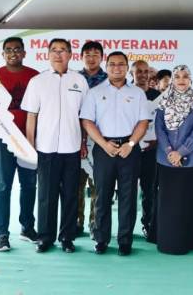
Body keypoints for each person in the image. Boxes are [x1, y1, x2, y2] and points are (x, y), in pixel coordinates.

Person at [21, 38, 88, 253]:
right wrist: (30, 144)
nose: (58, 54)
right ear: (47, 55)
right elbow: (32, 115)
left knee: (70, 194)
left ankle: (67, 237)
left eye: (63, 50)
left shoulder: (80, 81)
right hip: (46, 147)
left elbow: (84, 116)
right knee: (46, 195)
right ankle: (45, 237)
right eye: (54, 51)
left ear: (70, 55)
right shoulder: (37, 81)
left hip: (72, 147)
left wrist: (84, 141)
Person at [81, 51, 149, 256]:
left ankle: (125, 241)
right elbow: (87, 121)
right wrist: (103, 144)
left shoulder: (137, 93)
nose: (116, 68)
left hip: (130, 148)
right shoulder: (94, 92)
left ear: (127, 67)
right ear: (106, 66)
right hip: (104, 149)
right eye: (112, 64)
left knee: (128, 197)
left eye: (121, 64)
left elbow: (143, 122)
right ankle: (101, 239)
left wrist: (131, 143)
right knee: (102, 196)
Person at [0, 37, 39, 252]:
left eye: (17, 50)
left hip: (29, 140)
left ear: (24, 53)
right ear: (3, 54)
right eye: (8, 50)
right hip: (2, 140)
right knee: (3, 185)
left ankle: (27, 228)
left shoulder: (34, 77)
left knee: (29, 185)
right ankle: (1, 233)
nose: (13, 53)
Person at [155, 65, 193, 254]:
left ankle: (189, 241)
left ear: (190, 79)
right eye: (177, 76)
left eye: (185, 76)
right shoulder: (164, 101)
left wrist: (181, 152)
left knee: (188, 201)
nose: (181, 80)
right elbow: (159, 128)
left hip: (191, 160)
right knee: (168, 202)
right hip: (165, 159)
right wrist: (170, 151)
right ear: (172, 80)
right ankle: (168, 241)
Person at [77, 41, 107, 238]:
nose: (91, 57)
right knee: (75, 185)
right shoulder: (74, 79)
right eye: (87, 54)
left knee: (99, 186)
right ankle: (75, 224)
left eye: (96, 54)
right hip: (75, 137)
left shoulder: (109, 80)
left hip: (101, 139)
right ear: (81, 57)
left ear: (102, 57)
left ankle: (95, 225)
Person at [131, 60, 161, 242]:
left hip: (151, 151)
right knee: (128, 191)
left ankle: (148, 224)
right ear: (131, 74)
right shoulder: (127, 93)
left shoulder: (157, 95)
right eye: (138, 71)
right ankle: (126, 227)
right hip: (131, 150)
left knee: (149, 190)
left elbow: (163, 123)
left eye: (146, 71)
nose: (142, 74)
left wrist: (157, 141)